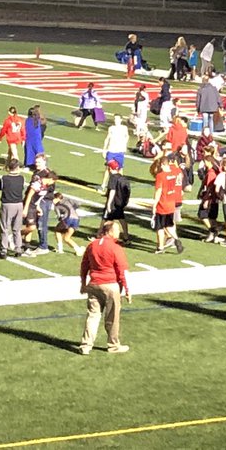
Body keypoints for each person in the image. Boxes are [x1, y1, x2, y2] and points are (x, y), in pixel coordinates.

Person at [78, 221, 130, 355]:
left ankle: (86, 345)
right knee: (112, 318)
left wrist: (83, 283)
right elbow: (121, 270)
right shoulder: (115, 247)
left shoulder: (92, 245)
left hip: (94, 284)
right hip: (110, 285)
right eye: (117, 230)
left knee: (93, 316)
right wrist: (127, 289)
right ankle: (113, 345)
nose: (119, 233)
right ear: (110, 232)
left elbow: (84, 265)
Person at [152, 155, 185, 253]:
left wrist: (154, 205)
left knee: (160, 227)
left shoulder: (160, 176)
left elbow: (159, 191)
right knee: (168, 225)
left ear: (162, 164)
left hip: (163, 203)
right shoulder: (174, 173)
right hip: (171, 203)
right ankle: (176, 240)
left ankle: (160, 247)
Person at [0, 158, 27, 258]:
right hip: (19, 204)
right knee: (17, 228)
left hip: (7, 204)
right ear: (17, 167)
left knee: (4, 227)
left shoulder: (4, 179)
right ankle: (18, 248)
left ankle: (4, 248)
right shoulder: (22, 178)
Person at [102, 160, 132, 246]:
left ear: (110, 168)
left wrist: (108, 203)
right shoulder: (121, 177)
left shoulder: (113, 178)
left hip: (113, 203)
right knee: (122, 220)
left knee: (107, 221)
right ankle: (126, 237)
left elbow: (112, 190)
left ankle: (103, 236)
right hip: (120, 202)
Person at [100, 115, 129, 192]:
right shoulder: (111, 128)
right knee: (108, 168)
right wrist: (104, 149)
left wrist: (124, 145)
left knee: (120, 168)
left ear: (121, 120)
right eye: (115, 119)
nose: (115, 120)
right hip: (111, 150)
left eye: (117, 119)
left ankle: (121, 185)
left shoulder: (124, 128)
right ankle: (103, 185)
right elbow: (107, 138)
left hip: (120, 151)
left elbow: (126, 137)